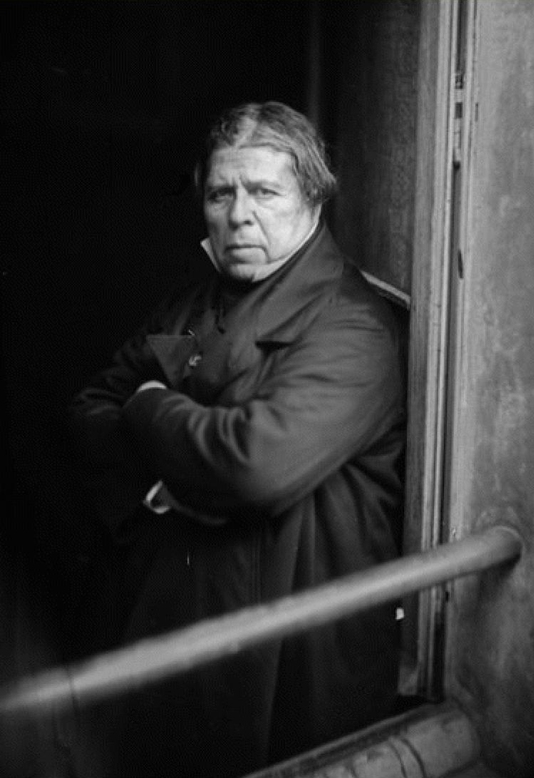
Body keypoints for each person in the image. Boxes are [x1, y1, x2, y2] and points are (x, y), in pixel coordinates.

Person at [69, 101, 406, 778]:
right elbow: (87, 412)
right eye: (221, 194)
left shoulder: (355, 327)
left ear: (313, 199)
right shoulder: (192, 303)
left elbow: (251, 465)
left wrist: (150, 405)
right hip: (174, 622)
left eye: (264, 192)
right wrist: (162, 485)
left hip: (289, 651)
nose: (239, 215)